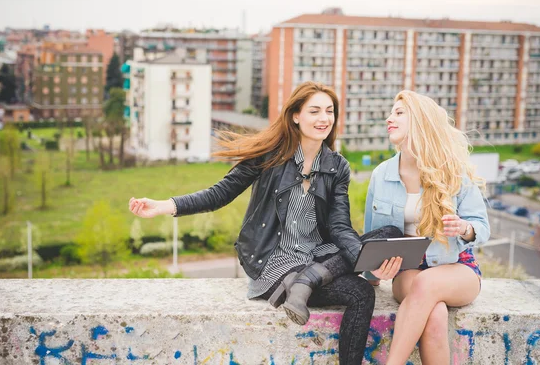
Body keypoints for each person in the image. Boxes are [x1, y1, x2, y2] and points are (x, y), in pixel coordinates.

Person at [128, 81, 400, 365]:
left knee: (389, 235)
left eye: (329, 111)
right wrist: (163, 206)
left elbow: (340, 227)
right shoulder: (270, 155)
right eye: (315, 111)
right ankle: (302, 281)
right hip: (274, 262)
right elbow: (218, 194)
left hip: (317, 257)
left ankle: (308, 280)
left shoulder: (337, 166)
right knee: (361, 290)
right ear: (296, 115)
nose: (324, 119)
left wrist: (363, 257)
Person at [363, 90, 490, 365]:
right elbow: (371, 237)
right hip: (408, 272)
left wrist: (464, 227)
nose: (389, 118)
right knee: (435, 314)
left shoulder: (453, 172)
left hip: (457, 267)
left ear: (419, 121)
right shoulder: (381, 175)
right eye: (390, 112)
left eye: (399, 113)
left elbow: (482, 227)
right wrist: (373, 273)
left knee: (428, 286)